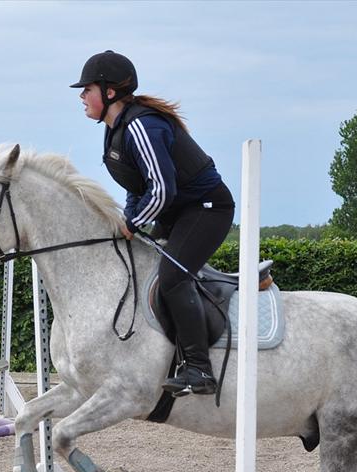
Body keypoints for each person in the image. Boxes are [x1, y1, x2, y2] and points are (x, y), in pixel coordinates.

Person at [71, 50, 235, 396]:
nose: (82, 96)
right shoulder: (115, 130)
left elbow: (162, 187)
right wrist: (126, 221)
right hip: (178, 212)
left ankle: (200, 369)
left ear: (110, 92)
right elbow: (137, 187)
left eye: (87, 89)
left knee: (172, 279)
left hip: (207, 208)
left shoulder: (141, 126)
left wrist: (134, 221)